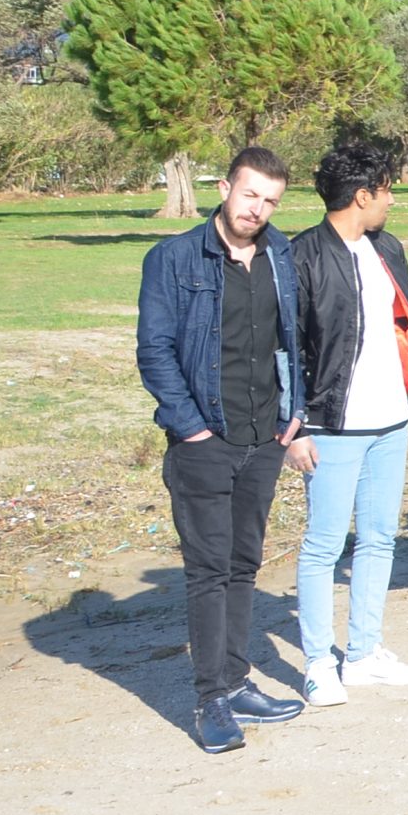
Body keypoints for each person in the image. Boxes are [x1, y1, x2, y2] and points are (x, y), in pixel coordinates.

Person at [136, 147, 309, 752]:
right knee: (208, 572)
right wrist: (192, 429)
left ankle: (237, 683)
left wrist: (296, 415)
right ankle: (211, 698)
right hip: (204, 440)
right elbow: (154, 353)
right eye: (249, 195)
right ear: (224, 187)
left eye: (269, 201)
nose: (257, 209)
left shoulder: (281, 254)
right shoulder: (175, 258)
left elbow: (295, 340)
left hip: (264, 438)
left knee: (244, 565)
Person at [289, 141, 408, 708]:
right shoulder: (300, 255)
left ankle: (363, 654)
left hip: (389, 421)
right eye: (388, 190)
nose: (392, 200)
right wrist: (296, 423)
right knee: (324, 544)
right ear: (362, 195)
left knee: (379, 539)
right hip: (331, 424)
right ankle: (316, 663)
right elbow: (286, 347)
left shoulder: (386, 249)